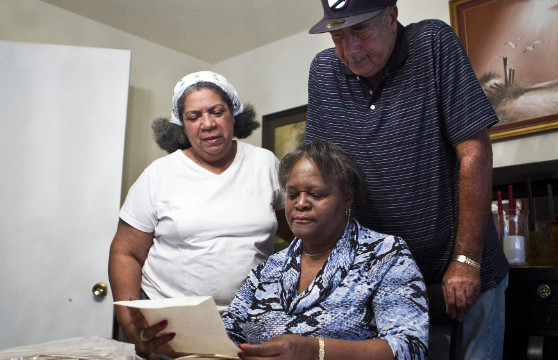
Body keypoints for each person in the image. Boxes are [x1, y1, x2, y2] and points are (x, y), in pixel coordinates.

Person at [305, 1, 510, 358]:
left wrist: (467, 259)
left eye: (360, 31)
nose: (349, 51)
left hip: (459, 268)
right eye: (338, 36)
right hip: (384, 280)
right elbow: (321, 174)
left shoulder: (432, 43)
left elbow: (474, 151)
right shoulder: (324, 71)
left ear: (391, 15)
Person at [129, 140, 430, 360]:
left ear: (347, 197)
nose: (300, 203)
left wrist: (316, 351)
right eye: (292, 194)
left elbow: (410, 347)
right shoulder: (268, 270)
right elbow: (226, 337)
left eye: (316, 194)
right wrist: (173, 343)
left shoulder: (386, 255)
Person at [108, 71, 293, 357]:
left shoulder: (264, 163)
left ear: (234, 114)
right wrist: (129, 325)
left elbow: (297, 232)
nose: (207, 124)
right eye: (193, 116)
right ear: (182, 125)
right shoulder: (158, 175)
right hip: (170, 326)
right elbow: (125, 252)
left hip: (251, 321)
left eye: (216, 111)